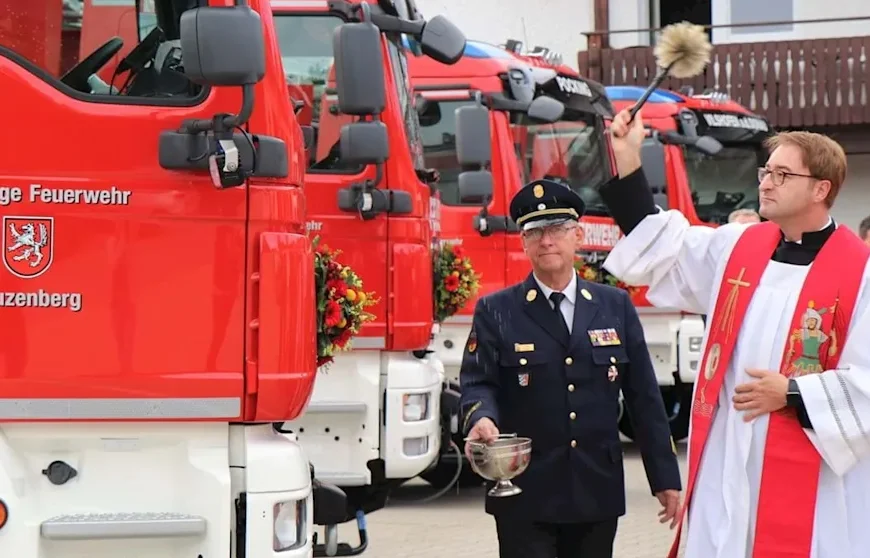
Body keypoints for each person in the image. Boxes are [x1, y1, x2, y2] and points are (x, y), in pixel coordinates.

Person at [601, 108, 870, 558]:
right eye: (767, 171)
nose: (765, 182)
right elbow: (664, 247)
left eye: (782, 174)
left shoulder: (859, 274)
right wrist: (628, 158)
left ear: (821, 188)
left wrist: (792, 392)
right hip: (728, 452)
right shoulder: (737, 247)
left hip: (813, 470)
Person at [458, 178, 682, 558]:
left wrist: (664, 479)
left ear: (578, 235)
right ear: (523, 242)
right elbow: (478, 381)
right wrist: (481, 418)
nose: (547, 240)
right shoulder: (497, 311)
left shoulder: (615, 306)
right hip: (524, 490)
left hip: (596, 487)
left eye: (558, 230)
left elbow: (645, 400)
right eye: (535, 231)